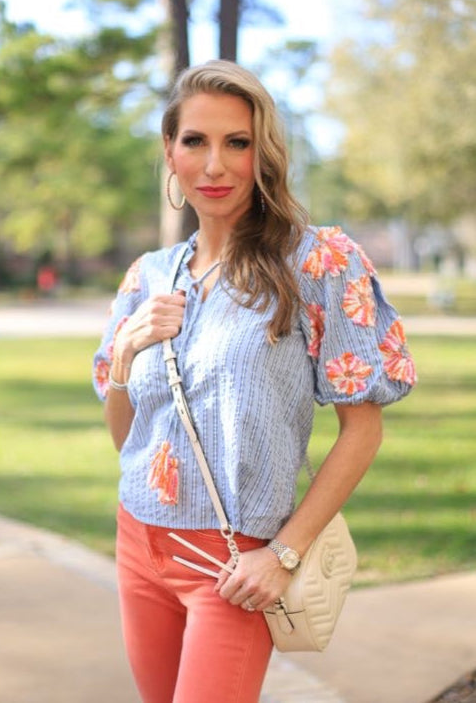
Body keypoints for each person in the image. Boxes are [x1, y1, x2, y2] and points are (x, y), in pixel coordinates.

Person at [93, 59, 416, 703]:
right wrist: (127, 352)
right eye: (195, 141)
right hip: (139, 545)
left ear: (263, 153)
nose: (214, 166)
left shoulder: (317, 261)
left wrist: (284, 555)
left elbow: (363, 430)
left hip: (234, 563)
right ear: (170, 151)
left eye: (236, 143)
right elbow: (130, 442)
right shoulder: (149, 275)